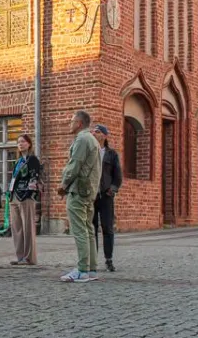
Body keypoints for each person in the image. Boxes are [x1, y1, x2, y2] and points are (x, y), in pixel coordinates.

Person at [58, 110, 102, 283]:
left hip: (79, 189)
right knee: (88, 229)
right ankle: (91, 269)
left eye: (72, 121)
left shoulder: (83, 139)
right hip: (89, 189)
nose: (70, 124)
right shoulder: (92, 139)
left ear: (79, 123)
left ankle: (83, 270)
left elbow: (75, 164)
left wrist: (63, 184)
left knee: (80, 230)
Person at [92, 124, 122, 272]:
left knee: (107, 228)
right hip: (91, 195)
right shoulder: (89, 152)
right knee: (91, 228)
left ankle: (108, 259)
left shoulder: (111, 154)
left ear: (104, 135)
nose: (94, 134)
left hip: (105, 195)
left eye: (97, 132)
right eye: (93, 131)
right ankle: (92, 259)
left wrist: (112, 189)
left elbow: (118, 176)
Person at [8, 133, 42, 266]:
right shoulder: (18, 161)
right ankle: (20, 256)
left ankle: (29, 258)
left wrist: (28, 193)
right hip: (14, 196)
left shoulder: (32, 159)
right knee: (16, 228)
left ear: (29, 144)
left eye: (22, 141)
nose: (20, 144)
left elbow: (34, 177)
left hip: (26, 196)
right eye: (18, 142)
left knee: (28, 227)